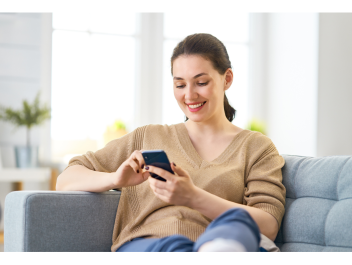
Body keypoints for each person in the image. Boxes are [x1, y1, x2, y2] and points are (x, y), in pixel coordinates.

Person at [55, 33, 285, 252]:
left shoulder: (257, 147)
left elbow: (269, 224)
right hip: (151, 245)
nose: (190, 95)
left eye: (201, 82)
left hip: (215, 242)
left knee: (236, 222)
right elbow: (66, 179)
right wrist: (115, 178)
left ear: (227, 79)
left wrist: (192, 197)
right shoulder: (147, 137)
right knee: (175, 247)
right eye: (180, 85)